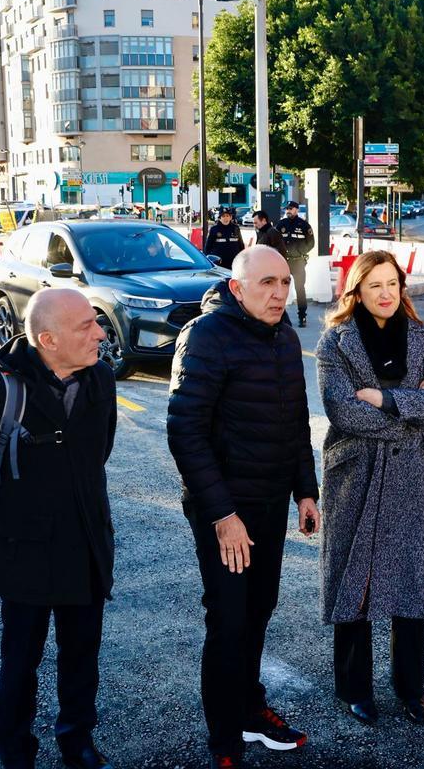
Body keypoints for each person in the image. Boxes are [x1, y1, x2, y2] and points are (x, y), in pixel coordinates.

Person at [0, 288, 118, 769]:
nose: (100, 334)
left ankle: (77, 742)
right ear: (49, 340)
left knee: (82, 657)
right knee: (20, 662)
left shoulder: (101, 378)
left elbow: (99, 452)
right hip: (25, 555)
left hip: (87, 546)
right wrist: (3, 529)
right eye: (86, 326)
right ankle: (16, 752)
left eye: (96, 322)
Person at [167, 245, 320, 769]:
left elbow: (296, 421)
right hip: (225, 511)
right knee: (229, 621)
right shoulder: (205, 337)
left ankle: (250, 710)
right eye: (266, 284)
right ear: (237, 288)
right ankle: (224, 741)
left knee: (258, 611)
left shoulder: (284, 336)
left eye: (285, 283)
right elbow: (185, 432)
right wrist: (222, 516)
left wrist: (305, 491)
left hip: (270, 501)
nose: (279, 294)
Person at [316, 251, 424, 727]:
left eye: (392, 283)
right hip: (355, 473)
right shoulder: (335, 342)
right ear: (356, 291)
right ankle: (354, 688)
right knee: (355, 578)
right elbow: (343, 411)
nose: (386, 293)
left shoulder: (422, 337)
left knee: (409, 581)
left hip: (412, 474)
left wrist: (386, 398)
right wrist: (413, 411)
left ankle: (410, 688)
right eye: (374, 285)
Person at [275, 201, 316, 328]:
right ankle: (279, 316)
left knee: (300, 289)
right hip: (284, 262)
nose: (288, 211)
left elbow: (311, 243)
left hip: (298, 262)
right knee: (279, 289)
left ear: (297, 210)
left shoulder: (304, 225)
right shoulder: (281, 224)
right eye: (287, 208)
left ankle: (302, 315)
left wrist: (300, 252)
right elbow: (274, 240)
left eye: (291, 208)